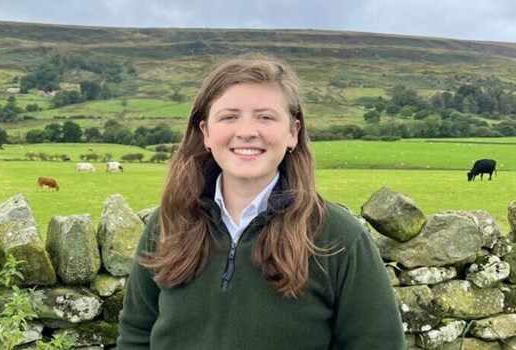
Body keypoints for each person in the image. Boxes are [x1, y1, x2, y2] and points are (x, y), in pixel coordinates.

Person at [117, 54, 405, 349]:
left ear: (293, 132)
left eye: (265, 117)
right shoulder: (169, 223)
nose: (246, 132)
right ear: (205, 132)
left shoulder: (340, 237)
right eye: (229, 116)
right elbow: (135, 335)